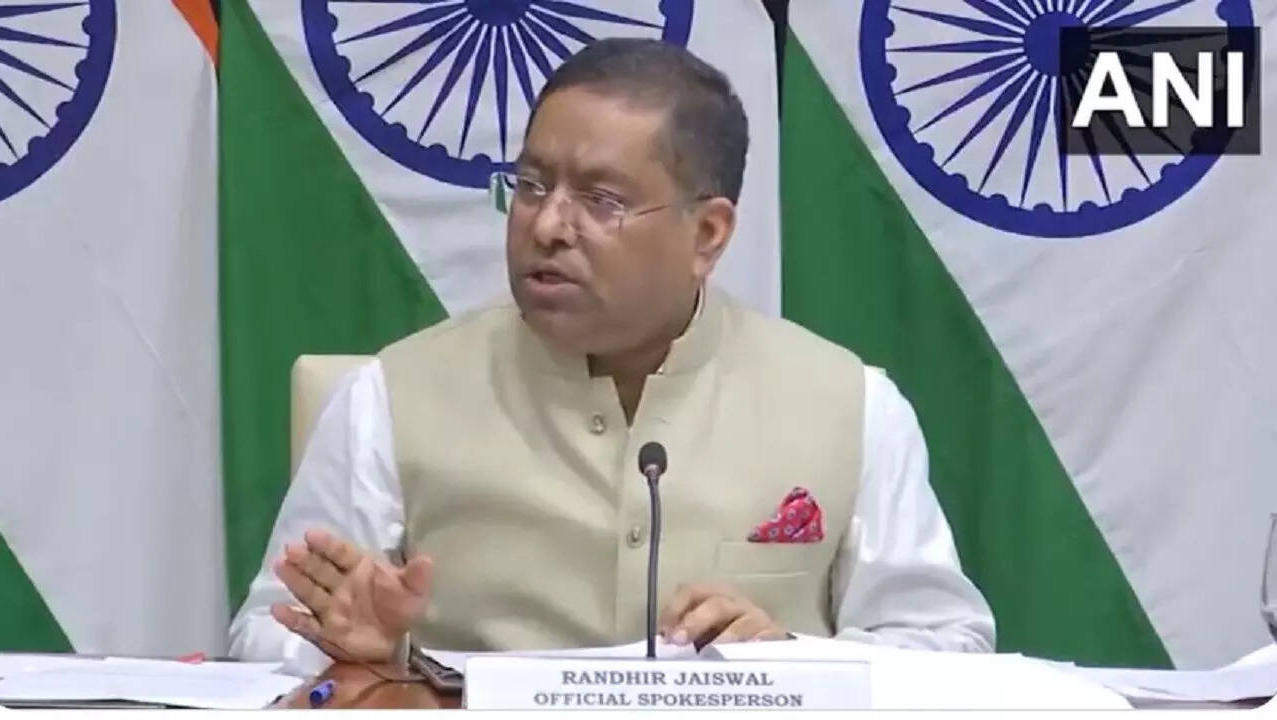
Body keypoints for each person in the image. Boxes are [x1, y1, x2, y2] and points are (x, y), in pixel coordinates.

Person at [228, 38, 994, 675]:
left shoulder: (849, 405)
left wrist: (792, 658)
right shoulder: (391, 397)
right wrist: (358, 650)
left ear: (708, 235)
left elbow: (948, 647)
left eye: (602, 200)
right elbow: (264, 635)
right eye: (532, 185)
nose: (548, 226)